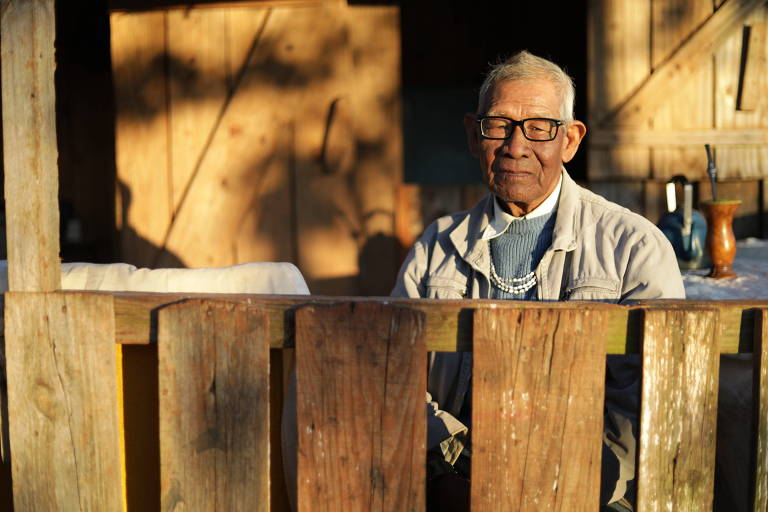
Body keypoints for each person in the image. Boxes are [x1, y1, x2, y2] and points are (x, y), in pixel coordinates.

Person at [391, 50, 685, 511]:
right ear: (474, 134)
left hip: (591, 486)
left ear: (569, 140)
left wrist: (570, 482)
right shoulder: (435, 247)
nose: (516, 145)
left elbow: (648, 401)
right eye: (499, 124)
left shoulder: (634, 247)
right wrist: (447, 466)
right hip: (458, 483)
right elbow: (398, 376)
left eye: (539, 128)